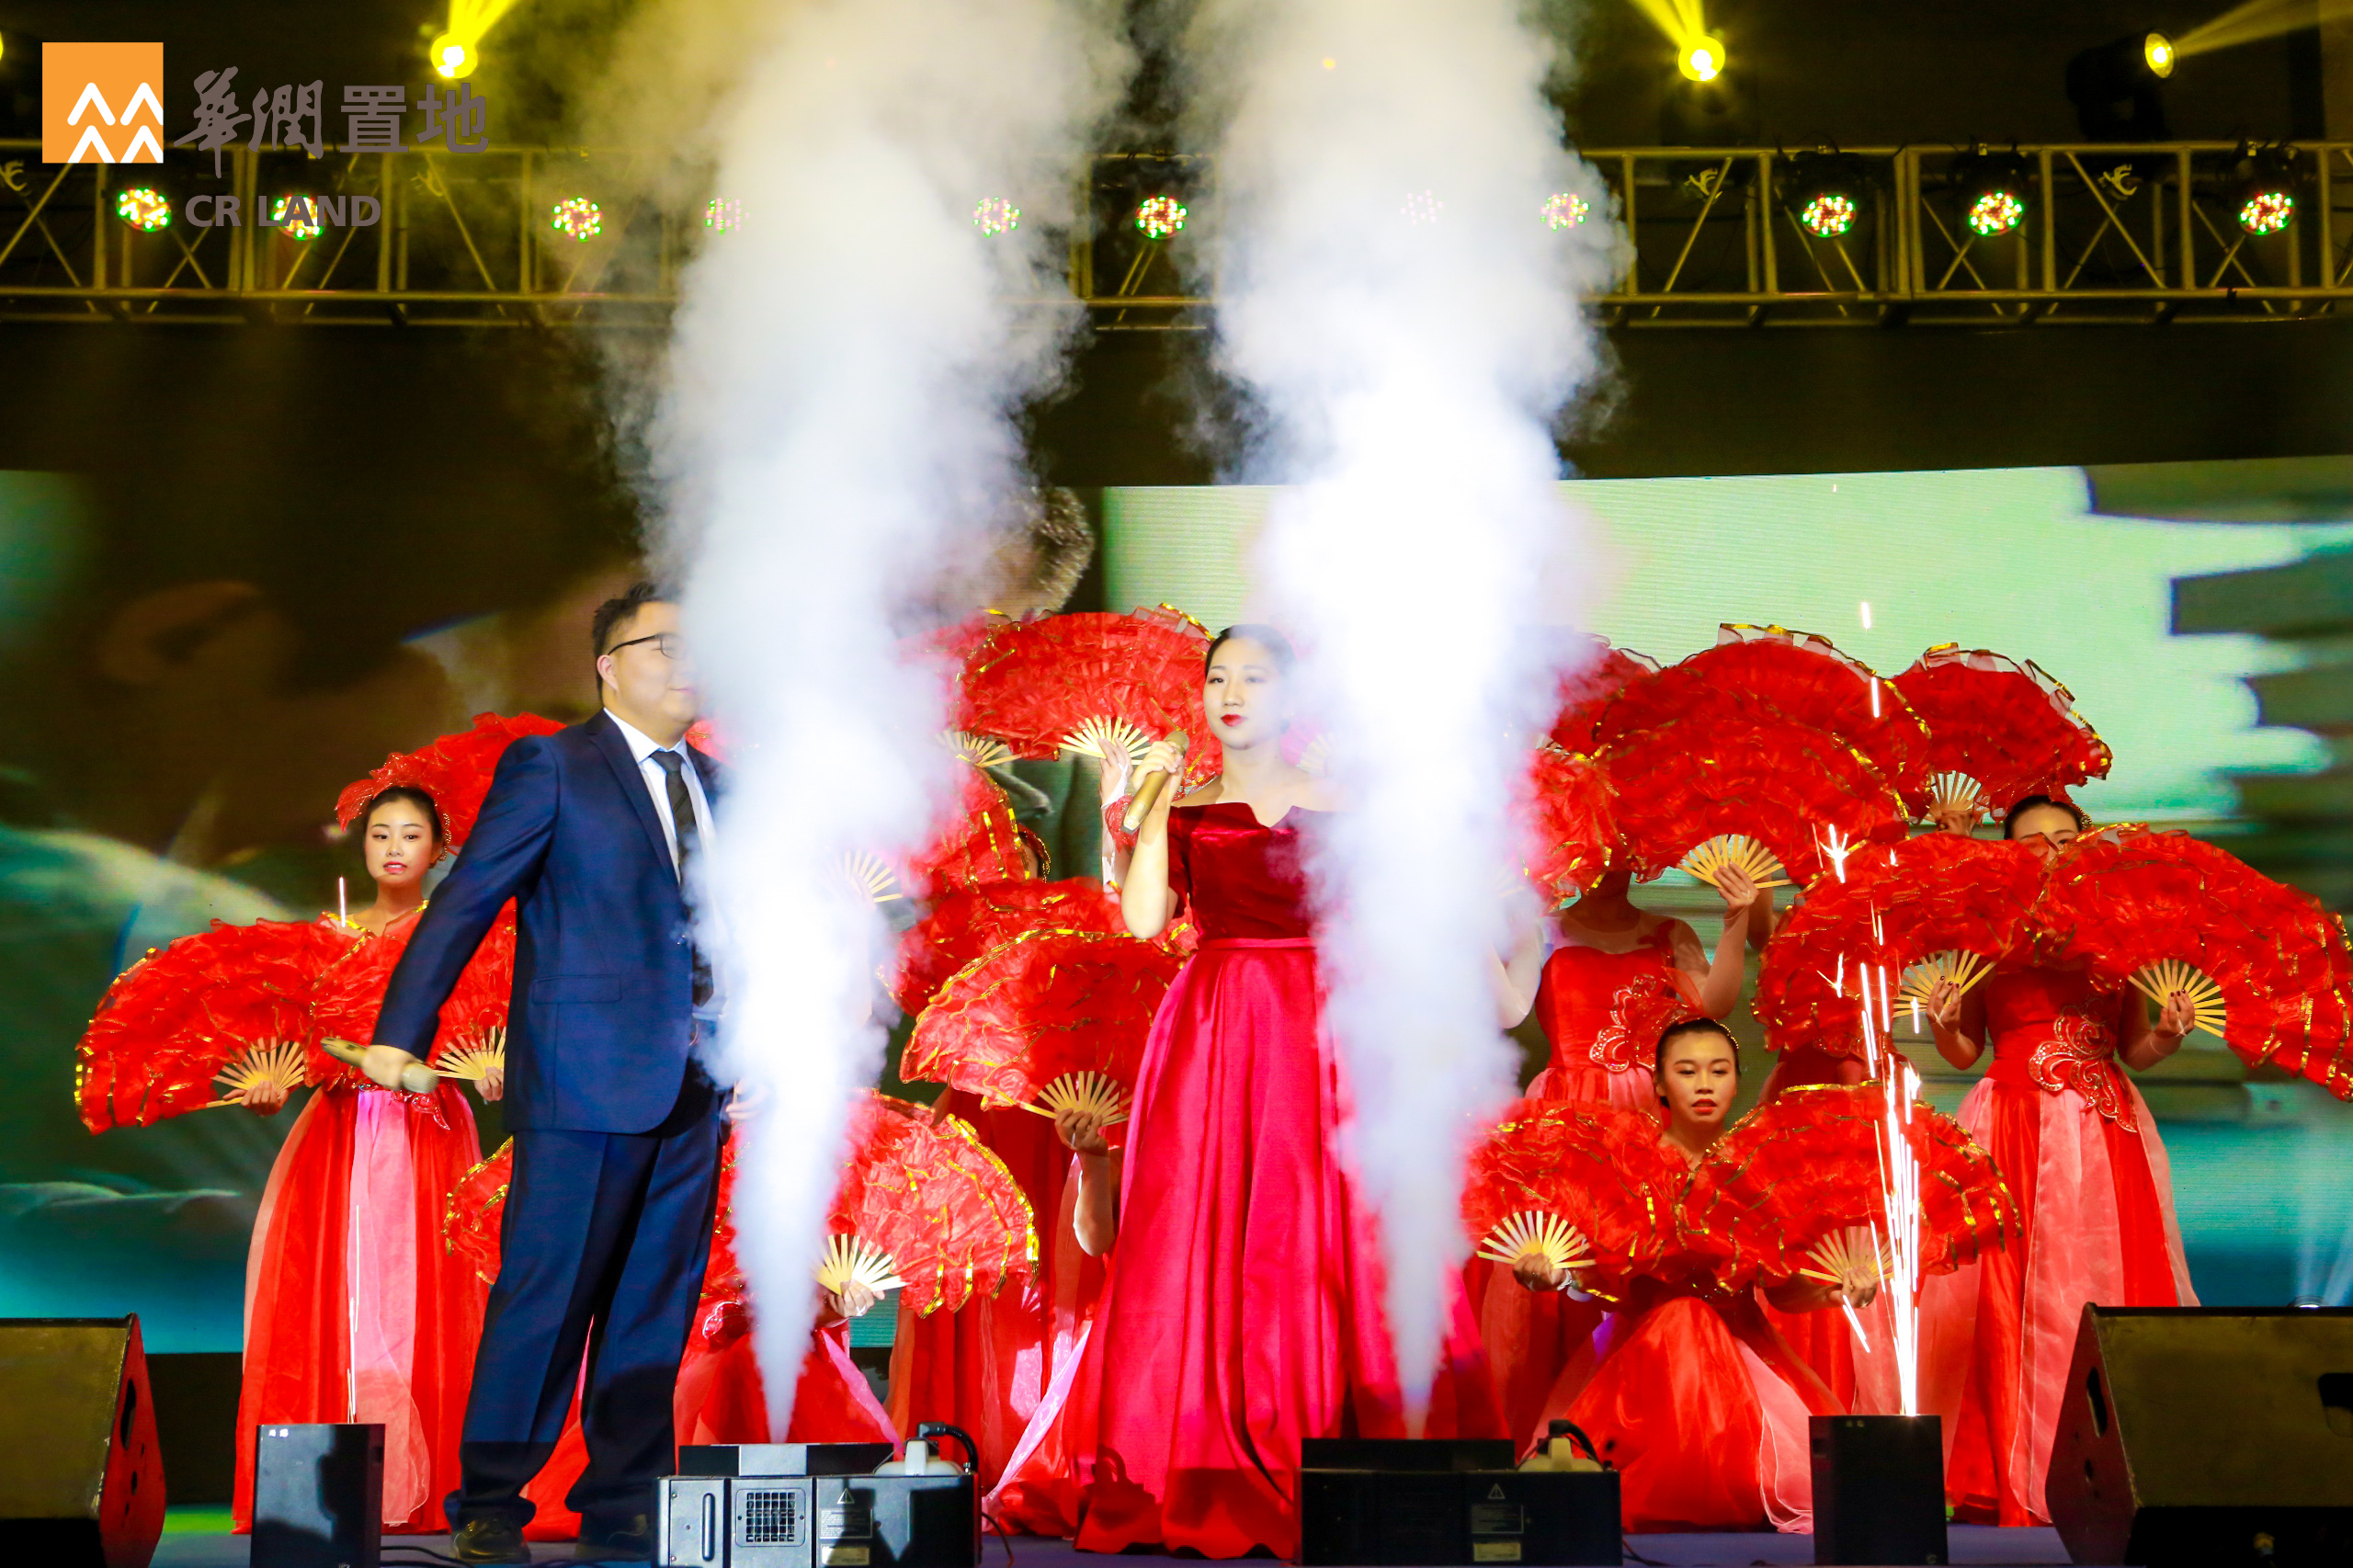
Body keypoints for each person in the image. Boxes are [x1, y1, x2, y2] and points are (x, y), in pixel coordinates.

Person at [1030, 624, 1504, 1559]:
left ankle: (1343, 1439)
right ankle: (1204, 1453)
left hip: (1327, 1022)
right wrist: (1154, 803)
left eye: (1254, 677)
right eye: (1218, 678)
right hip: (1215, 1022)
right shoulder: (1183, 806)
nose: (1232, 693)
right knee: (1206, 1224)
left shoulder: (1349, 798)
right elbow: (1142, 920)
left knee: (1331, 1224)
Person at [359, 582, 725, 1564]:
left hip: (698, 1083)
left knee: (654, 1302)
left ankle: (625, 1502)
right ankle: (489, 1497)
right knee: (547, 1293)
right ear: (608, 665)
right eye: (664, 644)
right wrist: (402, 1030)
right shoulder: (554, 765)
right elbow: (467, 899)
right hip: (582, 1079)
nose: (689, 659)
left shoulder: (722, 785)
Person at [1917, 794, 2196, 1527]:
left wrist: (2169, 1035)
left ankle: (2123, 1475)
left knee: (2110, 1286)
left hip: (2106, 1130)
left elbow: (2136, 1049)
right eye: (2031, 842)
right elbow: (1964, 1051)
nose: (2049, 851)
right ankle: (2016, 1468)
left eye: (2064, 838)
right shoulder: (1984, 934)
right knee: (2010, 1299)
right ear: (2008, 854)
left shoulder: (2119, 934)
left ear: (2087, 845)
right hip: (2011, 1122)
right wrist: (1942, 1024)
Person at [230, 785, 491, 1532]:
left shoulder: (463, 936)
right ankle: (327, 1491)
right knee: (335, 1295)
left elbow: (481, 1031)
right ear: (363, 845)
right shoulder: (324, 941)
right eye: (380, 834)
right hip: (340, 1132)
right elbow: (299, 1053)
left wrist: (493, 1072)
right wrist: (270, 1091)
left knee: (430, 1293)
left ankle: (437, 1486)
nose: (394, 848)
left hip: (428, 1132)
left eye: (411, 834)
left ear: (439, 849)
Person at [1518, 1019, 1871, 1533]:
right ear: (1659, 1083)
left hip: (1740, 1351)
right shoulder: (1625, 1166)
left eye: (1718, 1071)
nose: (1704, 1085)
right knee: (1682, 1318)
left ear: (1736, 1080)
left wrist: (1835, 1291)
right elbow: (1599, 1280)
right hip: (1643, 1354)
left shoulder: (1760, 1169)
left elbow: (1781, 1292)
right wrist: (1555, 1276)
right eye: (1687, 1071)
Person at [1479, 855, 1766, 1449]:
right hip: (1566, 1120)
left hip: (1647, 1118)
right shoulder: (1543, 927)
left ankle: (1636, 1435)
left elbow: (1711, 1009)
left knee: (1640, 1275)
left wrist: (1736, 919)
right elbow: (1508, 1011)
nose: (1611, 864)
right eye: (1598, 849)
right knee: (1552, 1273)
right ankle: (1546, 1437)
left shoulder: (1669, 932)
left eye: (1624, 849)